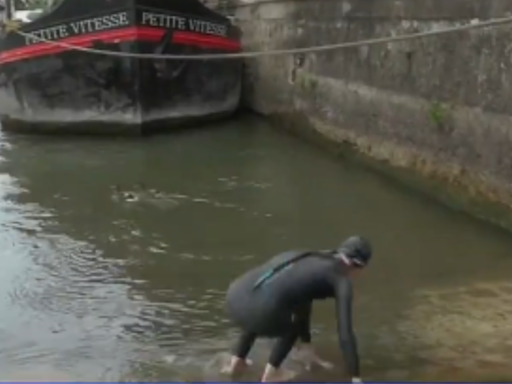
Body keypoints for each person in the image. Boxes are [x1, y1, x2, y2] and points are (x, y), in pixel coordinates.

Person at [223, 236, 372, 382]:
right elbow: (345, 333)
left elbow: (301, 300)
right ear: (359, 266)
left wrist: (306, 345)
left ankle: (236, 363)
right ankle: (271, 375)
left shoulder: (307, 256)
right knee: (290, 322)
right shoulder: (341, 280)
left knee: (265, 304)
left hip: (235, 298)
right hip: (260, 311)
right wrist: (356, 377)